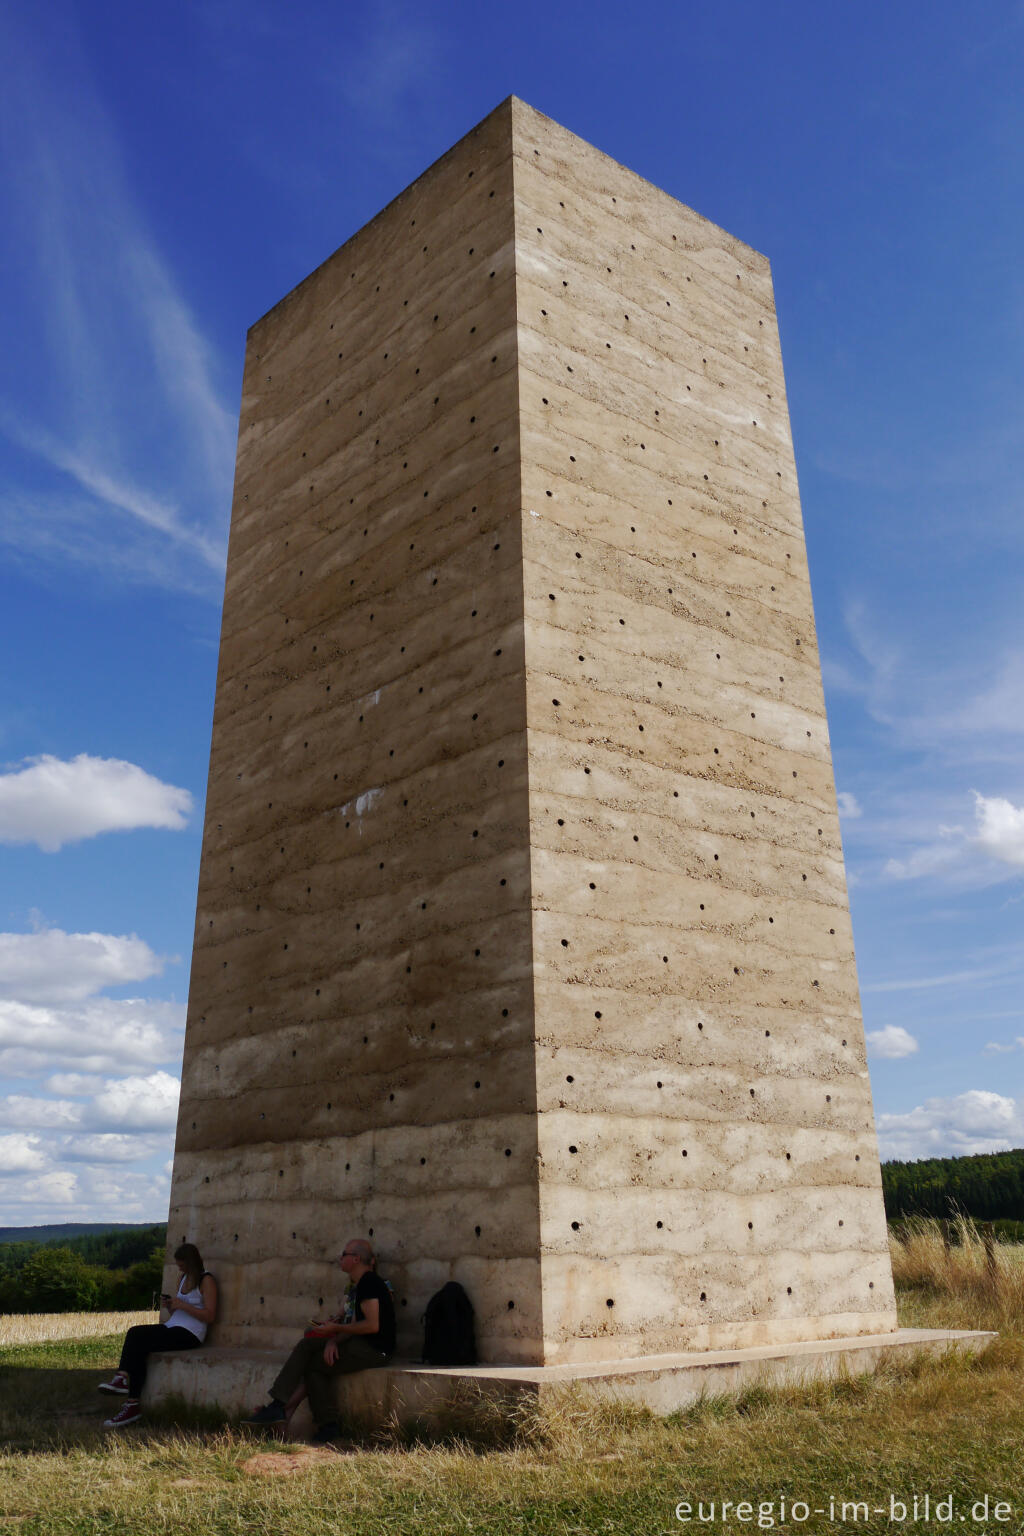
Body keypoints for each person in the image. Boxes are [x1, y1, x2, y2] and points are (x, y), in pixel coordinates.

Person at [246, 1237, 395, 1444]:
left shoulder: (370, 1282)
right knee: (312, 1359)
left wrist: (336, 1329)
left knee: (310, 1355)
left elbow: (372, 1326)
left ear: (356, 1259)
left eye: (344, 1254)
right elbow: (353, 1325)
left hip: (375, 1350)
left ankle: (282, 1407)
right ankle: (323, 1425)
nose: (340, 1258)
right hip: (361, 1344)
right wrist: (333, 1341)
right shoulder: (360, 1286)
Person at [99, 1241, 218, 1428]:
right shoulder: (182, 1279)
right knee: (135, 1334)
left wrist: (183, 1305)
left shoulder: (206, 1280)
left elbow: (210, 1316)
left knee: (140, 1341)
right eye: (179, 1266)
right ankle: (124, 1384)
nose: (180, 1269)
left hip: (191, 1334)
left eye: (183, 1265)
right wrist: (171, 1307)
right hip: (173, 1326)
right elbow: (179, 1312)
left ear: (192, 1262)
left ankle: (129, 1398)